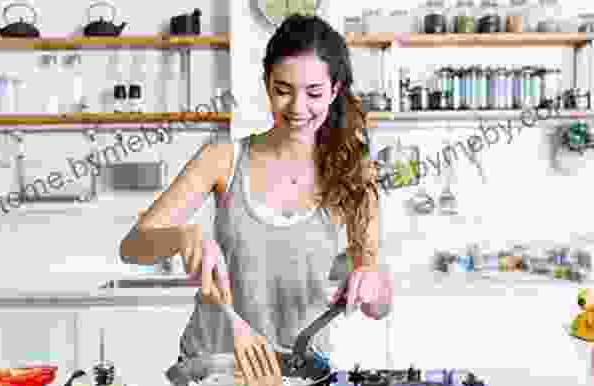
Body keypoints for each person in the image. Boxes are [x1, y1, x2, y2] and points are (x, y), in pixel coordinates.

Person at [120, 14, 393, 364]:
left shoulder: (354, 171)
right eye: (283, 90)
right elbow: (132, 246)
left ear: (335, 89)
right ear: (267, 84)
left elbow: (380, 304)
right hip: (213, 370)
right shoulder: (223, 158)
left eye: (313, 93)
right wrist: (181, 237)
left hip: (301, 373)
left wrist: (371, 284)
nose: (297, 108)